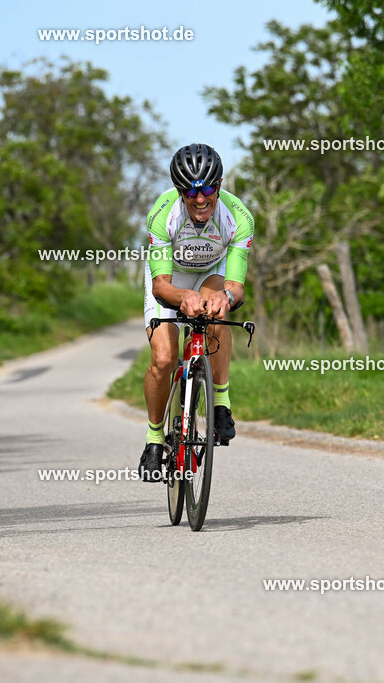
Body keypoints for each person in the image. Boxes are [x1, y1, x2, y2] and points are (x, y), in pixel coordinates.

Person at [138, 143, 254, 482]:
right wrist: (183, 296)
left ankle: (221, 404)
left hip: (211, 274)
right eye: (190, 191)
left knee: (217, 309)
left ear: (219, 185)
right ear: (179, 190)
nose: (200, 199)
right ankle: (154, 439)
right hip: (170, 279)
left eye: (208, 189)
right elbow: (161, 286)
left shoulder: (239, 217)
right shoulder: (163, 215)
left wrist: (225, 298)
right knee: (163, 358)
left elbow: (236, 286)